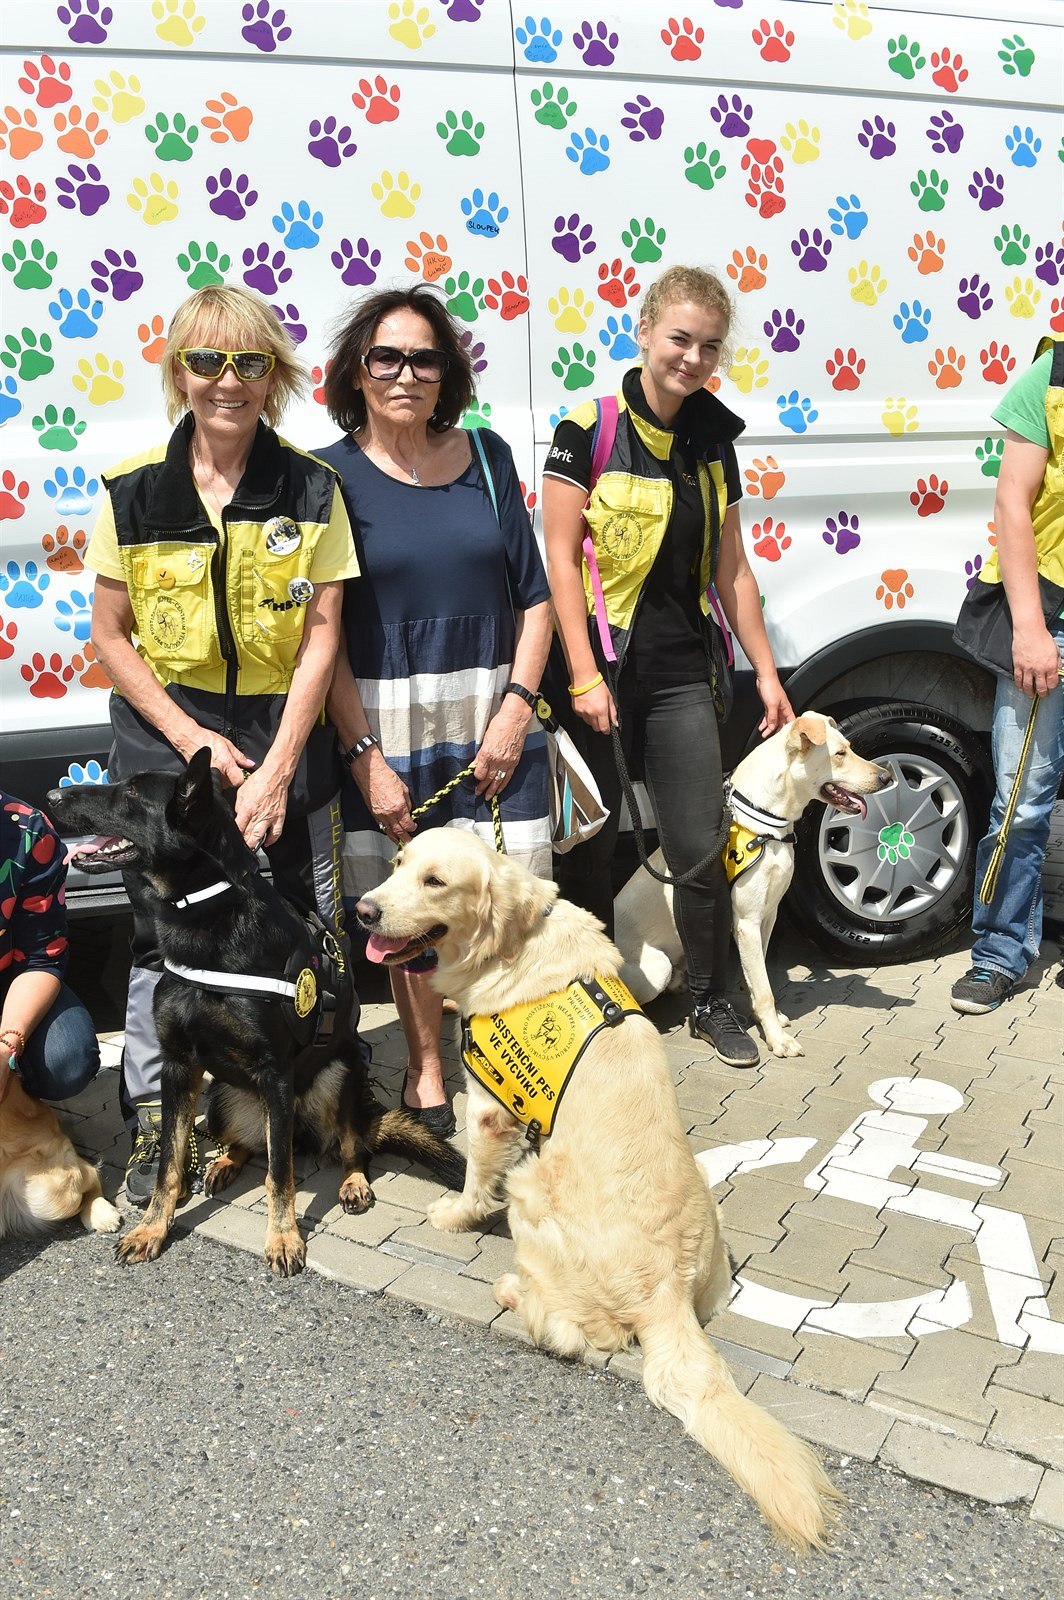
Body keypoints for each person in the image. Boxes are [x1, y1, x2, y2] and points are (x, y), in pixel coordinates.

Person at [85, 284, 361, 1204]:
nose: (227, 380)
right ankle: (152, 1121)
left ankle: (300, 1094)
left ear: (274, 376)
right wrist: (191, 736)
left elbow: (322, 636)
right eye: (206, 361)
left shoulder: (312, 488)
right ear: (179, 374)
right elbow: (112, 637)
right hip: (169, 733)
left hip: (283, 725)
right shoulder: (131, 490)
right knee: (158, 937)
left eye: (249, 361)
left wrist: (277, 768)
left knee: (296, 922)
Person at [542, 264, 794, 1069]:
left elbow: (733, 569)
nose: (692, 357)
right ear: (645, 330)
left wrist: (767, 672)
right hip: (599, 675)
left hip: (684, 674)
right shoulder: (589, 427)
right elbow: (557, 556)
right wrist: (582, 674)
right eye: (680, 338)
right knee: (587, 847)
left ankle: (710, 1001)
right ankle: (580, 1002)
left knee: (698, 844)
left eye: (709, 346)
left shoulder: (714, 442)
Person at [319, 286, 552, 1136]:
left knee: (511, 902)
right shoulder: (324, 477)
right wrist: (364, 758)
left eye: (425, 358)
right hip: (387, 728)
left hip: (495, 720)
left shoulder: (487, 456)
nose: (406, 374)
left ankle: (516, 1067)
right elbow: (323, 639)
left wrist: (517, 712)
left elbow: (536, 599)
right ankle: (425, 1071)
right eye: (386, 356)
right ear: (357, 371)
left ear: (447, 373)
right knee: (405, 911)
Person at [951, 334, 1064, 1014]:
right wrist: (1029, 628)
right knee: (1021, 803)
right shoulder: (1051, 376)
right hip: (1051, 616)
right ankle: (999, 954)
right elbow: (1012, 503)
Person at [1, 791, 100, 1108]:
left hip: (10, 974)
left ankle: (14, 1089)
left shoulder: (28, 829)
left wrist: (7, 1049)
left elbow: (41, 958)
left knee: (66, 1061)